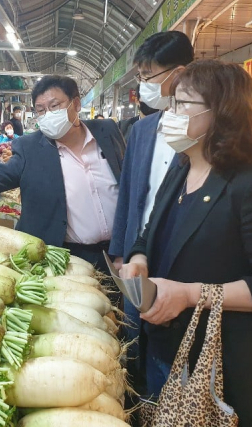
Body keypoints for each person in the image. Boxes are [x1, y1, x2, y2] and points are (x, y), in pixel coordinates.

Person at [119, 60, 252, 427]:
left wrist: (190, 295)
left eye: (183, 104)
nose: (171, 115)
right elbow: (148, 232)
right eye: (172, 104)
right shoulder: (181, 167)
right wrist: (138, 258)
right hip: (161, 348)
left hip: (213, 365)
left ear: (221, 113)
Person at [0, 75, 125, 274]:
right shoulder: (30, 147)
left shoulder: (107, 131)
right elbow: (3, 173)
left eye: (55, 106)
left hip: (118, 253)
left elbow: (131, 181)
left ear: (76, 103)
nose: (48, 114)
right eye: (41, 110)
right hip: (64, 257)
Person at [108, 31, 194, 393]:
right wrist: (119, 249)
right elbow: (128, 193)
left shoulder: (202, 132)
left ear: (178, 74)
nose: (142, 86)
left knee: (169, 352)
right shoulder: (143, 129)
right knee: (133, 339)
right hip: (136, 256)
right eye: (140, 77)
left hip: (178, 260)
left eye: (148, 77)